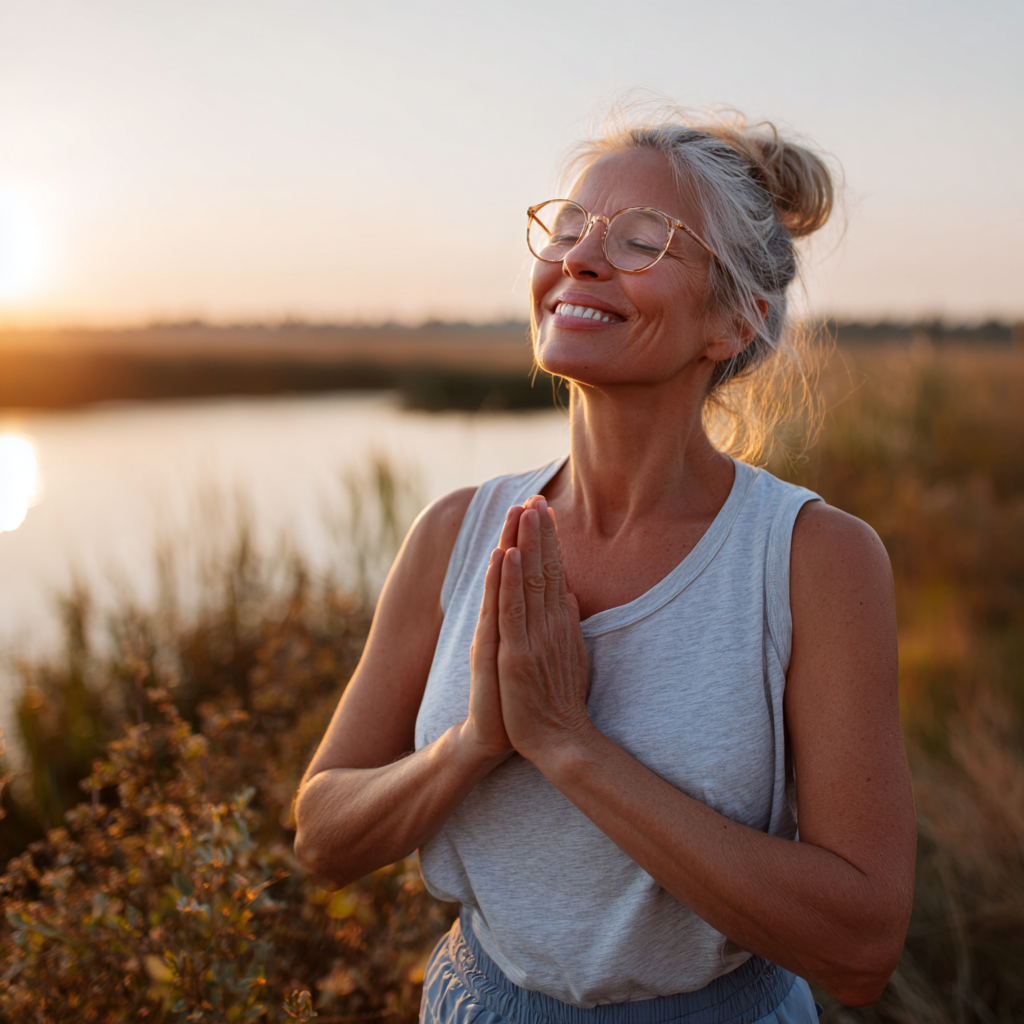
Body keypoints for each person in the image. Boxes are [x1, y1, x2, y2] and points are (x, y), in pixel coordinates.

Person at [294, 109, 917, 1024]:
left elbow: (861, 951)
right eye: (571, 229)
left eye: (641, 241)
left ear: (733, 320)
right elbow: (322, 834)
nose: (580, 259)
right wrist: (473, 744)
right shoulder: (453, 533)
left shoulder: (812, 559)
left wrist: (569, 745)